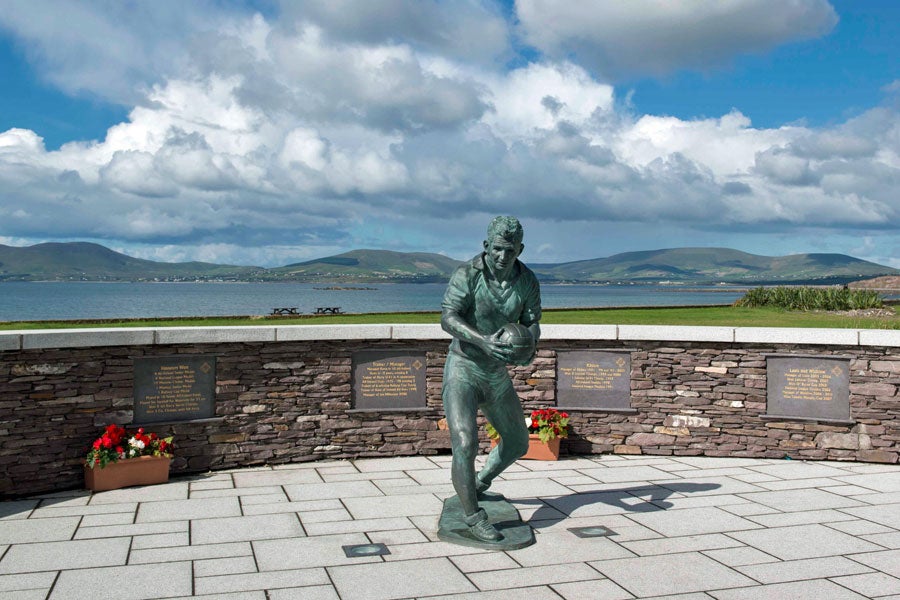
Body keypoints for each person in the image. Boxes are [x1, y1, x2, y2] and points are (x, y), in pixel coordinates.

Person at [440, 215, 542, 542]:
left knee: (518, 442)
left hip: (496, 374)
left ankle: (478, 483)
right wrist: (482, 340)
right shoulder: (467, 274)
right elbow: (448, 317)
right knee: (465, 442)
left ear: (520, 250)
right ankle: (473, 517)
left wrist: (529, 347)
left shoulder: (527, 280)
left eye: (510, 250)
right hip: (464, 368)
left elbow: (532, 322)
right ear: (486, 246)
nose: (502, 255)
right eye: (497, 248)